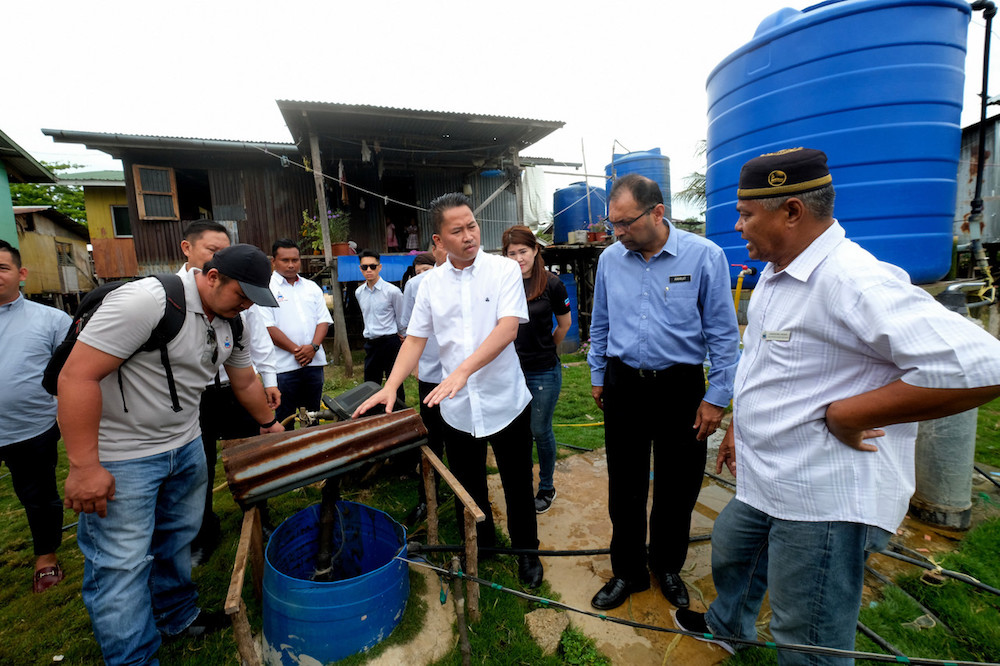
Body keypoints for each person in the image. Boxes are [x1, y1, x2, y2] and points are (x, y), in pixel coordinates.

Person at [672, 148, 1000, 664]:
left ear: (792, 212)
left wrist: (852, 414)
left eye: (746, 214)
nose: (738, 227)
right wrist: (739, 423)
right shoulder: (780, 275)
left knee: (808, 634)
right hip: (770, 476)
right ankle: (728, 629)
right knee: (734, 550)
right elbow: (766, 366)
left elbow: (984, 366)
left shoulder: (851, 279)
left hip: (823, 498)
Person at [58, 244, 285, 666]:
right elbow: (76, 377)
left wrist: (269, 424)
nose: (245, 306)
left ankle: (175, 614)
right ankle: (134, 658)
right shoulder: (147, 302)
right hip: (122, 456)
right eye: (241, 295)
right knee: (121, 565)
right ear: (212, 276)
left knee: (177, 539)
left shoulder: (233, 321)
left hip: (184, 446)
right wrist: (85, 467)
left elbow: (245, 380)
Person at [354, 192, 543, 589]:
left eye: (472, 226)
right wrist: (391, 387)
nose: (469, 236)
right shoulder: (428, 286)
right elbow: (415, 341)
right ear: (438, 242)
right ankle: (483, 545)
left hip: (505, 398)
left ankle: (528, 552)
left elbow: (508, 328)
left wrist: (460, 372)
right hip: (456, 405)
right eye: (457, 231)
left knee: (517, 482)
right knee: (467, 484)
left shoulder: (504, 271)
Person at [588, 173, 740, 612]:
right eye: (612, 223)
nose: (617, 233)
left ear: (658, 213)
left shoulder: (704, 256)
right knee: (626, 484)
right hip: (624, 385)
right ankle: (628, 572)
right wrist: (598, 376)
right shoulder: (610, 261)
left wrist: (716, 398)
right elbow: (600, 324)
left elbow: (723, 337)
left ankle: (668, 566)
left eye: (625, 223)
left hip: (681, 389)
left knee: (678, 484)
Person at [176, 220, 280, 564]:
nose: (218, 257)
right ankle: (201, 532)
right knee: (197, 468)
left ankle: (259, 517)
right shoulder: (168, 298)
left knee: (251, 456)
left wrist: (269, 385)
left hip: (235, 388)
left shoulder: (241, 297)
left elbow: (254, 343)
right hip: (193, 397)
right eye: (212, 251)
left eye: (224, 250)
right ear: (188, 249)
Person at [0, 239, 70, 594]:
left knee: (38, 494)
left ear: (21, 273)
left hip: (30, 429)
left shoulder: (53, 320)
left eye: (2, 268)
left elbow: (73, 373)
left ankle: (45, 556)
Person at [502, 225, 571, 514]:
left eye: (523, 251)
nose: (518, 258)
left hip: (543, 370)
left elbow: (564, 324)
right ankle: (520, 484)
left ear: (535, 251)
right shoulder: (502, 283)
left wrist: (547, 349)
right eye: (511, 253)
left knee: (539, 430)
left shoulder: (552, 284)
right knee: (516, 432)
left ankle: (546, 487)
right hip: (510, 371)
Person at [259, 239, 332, 430]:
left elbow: (323, 320)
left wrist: (313, 348)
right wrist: (298, 351)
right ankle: (288, 455)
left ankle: (315, 453)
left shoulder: (311, 287)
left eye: (295, 259)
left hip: (313, 363)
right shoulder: (265, 289)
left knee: (313, 415)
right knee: (286, 416)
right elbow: (268, 327)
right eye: (285, 260)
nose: (291, 265)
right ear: (273, 261)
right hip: (284, 366)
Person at [400, 247, 448, 523]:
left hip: (464, 377)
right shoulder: (416, 285)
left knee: (464, 439)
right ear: (436, 244)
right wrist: (416, 364)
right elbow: (408, 329)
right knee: (431, 438)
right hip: (431, 375)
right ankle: (427, 496)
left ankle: (466, 494)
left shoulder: (472, 281)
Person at [355, 249, 405, 404]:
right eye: (365, 267)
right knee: (370, 383)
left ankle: (399, 413)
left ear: (380, 267)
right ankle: (371, 415)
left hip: (390, 342)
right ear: (360, 269)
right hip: (371, 343)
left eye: (372, 266)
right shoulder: (359, 292)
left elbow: (401, 316)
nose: (369, 270)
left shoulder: (392, 291)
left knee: (395, 381)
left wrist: (403, 336)